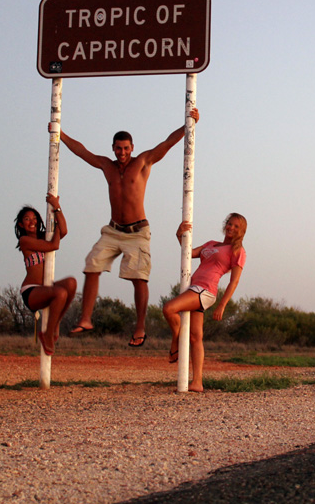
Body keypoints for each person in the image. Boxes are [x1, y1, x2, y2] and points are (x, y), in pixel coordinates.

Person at [59, 108, 199, 346]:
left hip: (137, 232)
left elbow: (166, 144)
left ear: (132, 148)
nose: (122, 152)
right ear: (113, 148)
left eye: (126, 148)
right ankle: (85, 318)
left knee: (138, 278)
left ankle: (140, 328)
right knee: (92, 265)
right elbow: (82, 151)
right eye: (118, 148)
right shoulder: (107, 166)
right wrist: (60, 133)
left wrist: (189, 124)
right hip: (113, 230)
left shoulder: (143, 161)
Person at [163, 213, 247, 392]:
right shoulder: (211, 244)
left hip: (205, 291)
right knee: (195, 337)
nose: (231, 228)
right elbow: (190, 253)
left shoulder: (238, 251)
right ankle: (197, 382)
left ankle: (175, 341)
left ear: (242, 231)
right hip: (194, 288)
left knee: (169, 309)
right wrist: (179, 235)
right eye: (229, 224)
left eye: (236, 226)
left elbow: (234, 281)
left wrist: (222, 305)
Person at [15, 194, 77, 356]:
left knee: (71, 283)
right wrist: (55, 227)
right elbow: (54, 245)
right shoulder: (24, 241)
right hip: (32, 291)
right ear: (21, 224)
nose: (32, 222)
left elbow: (64, 230)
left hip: (46, 288)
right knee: (60, 293)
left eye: (34, 218)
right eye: (27, 219)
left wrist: (56, 206)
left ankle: (55, 325)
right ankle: (47, 333)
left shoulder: (44, 236)